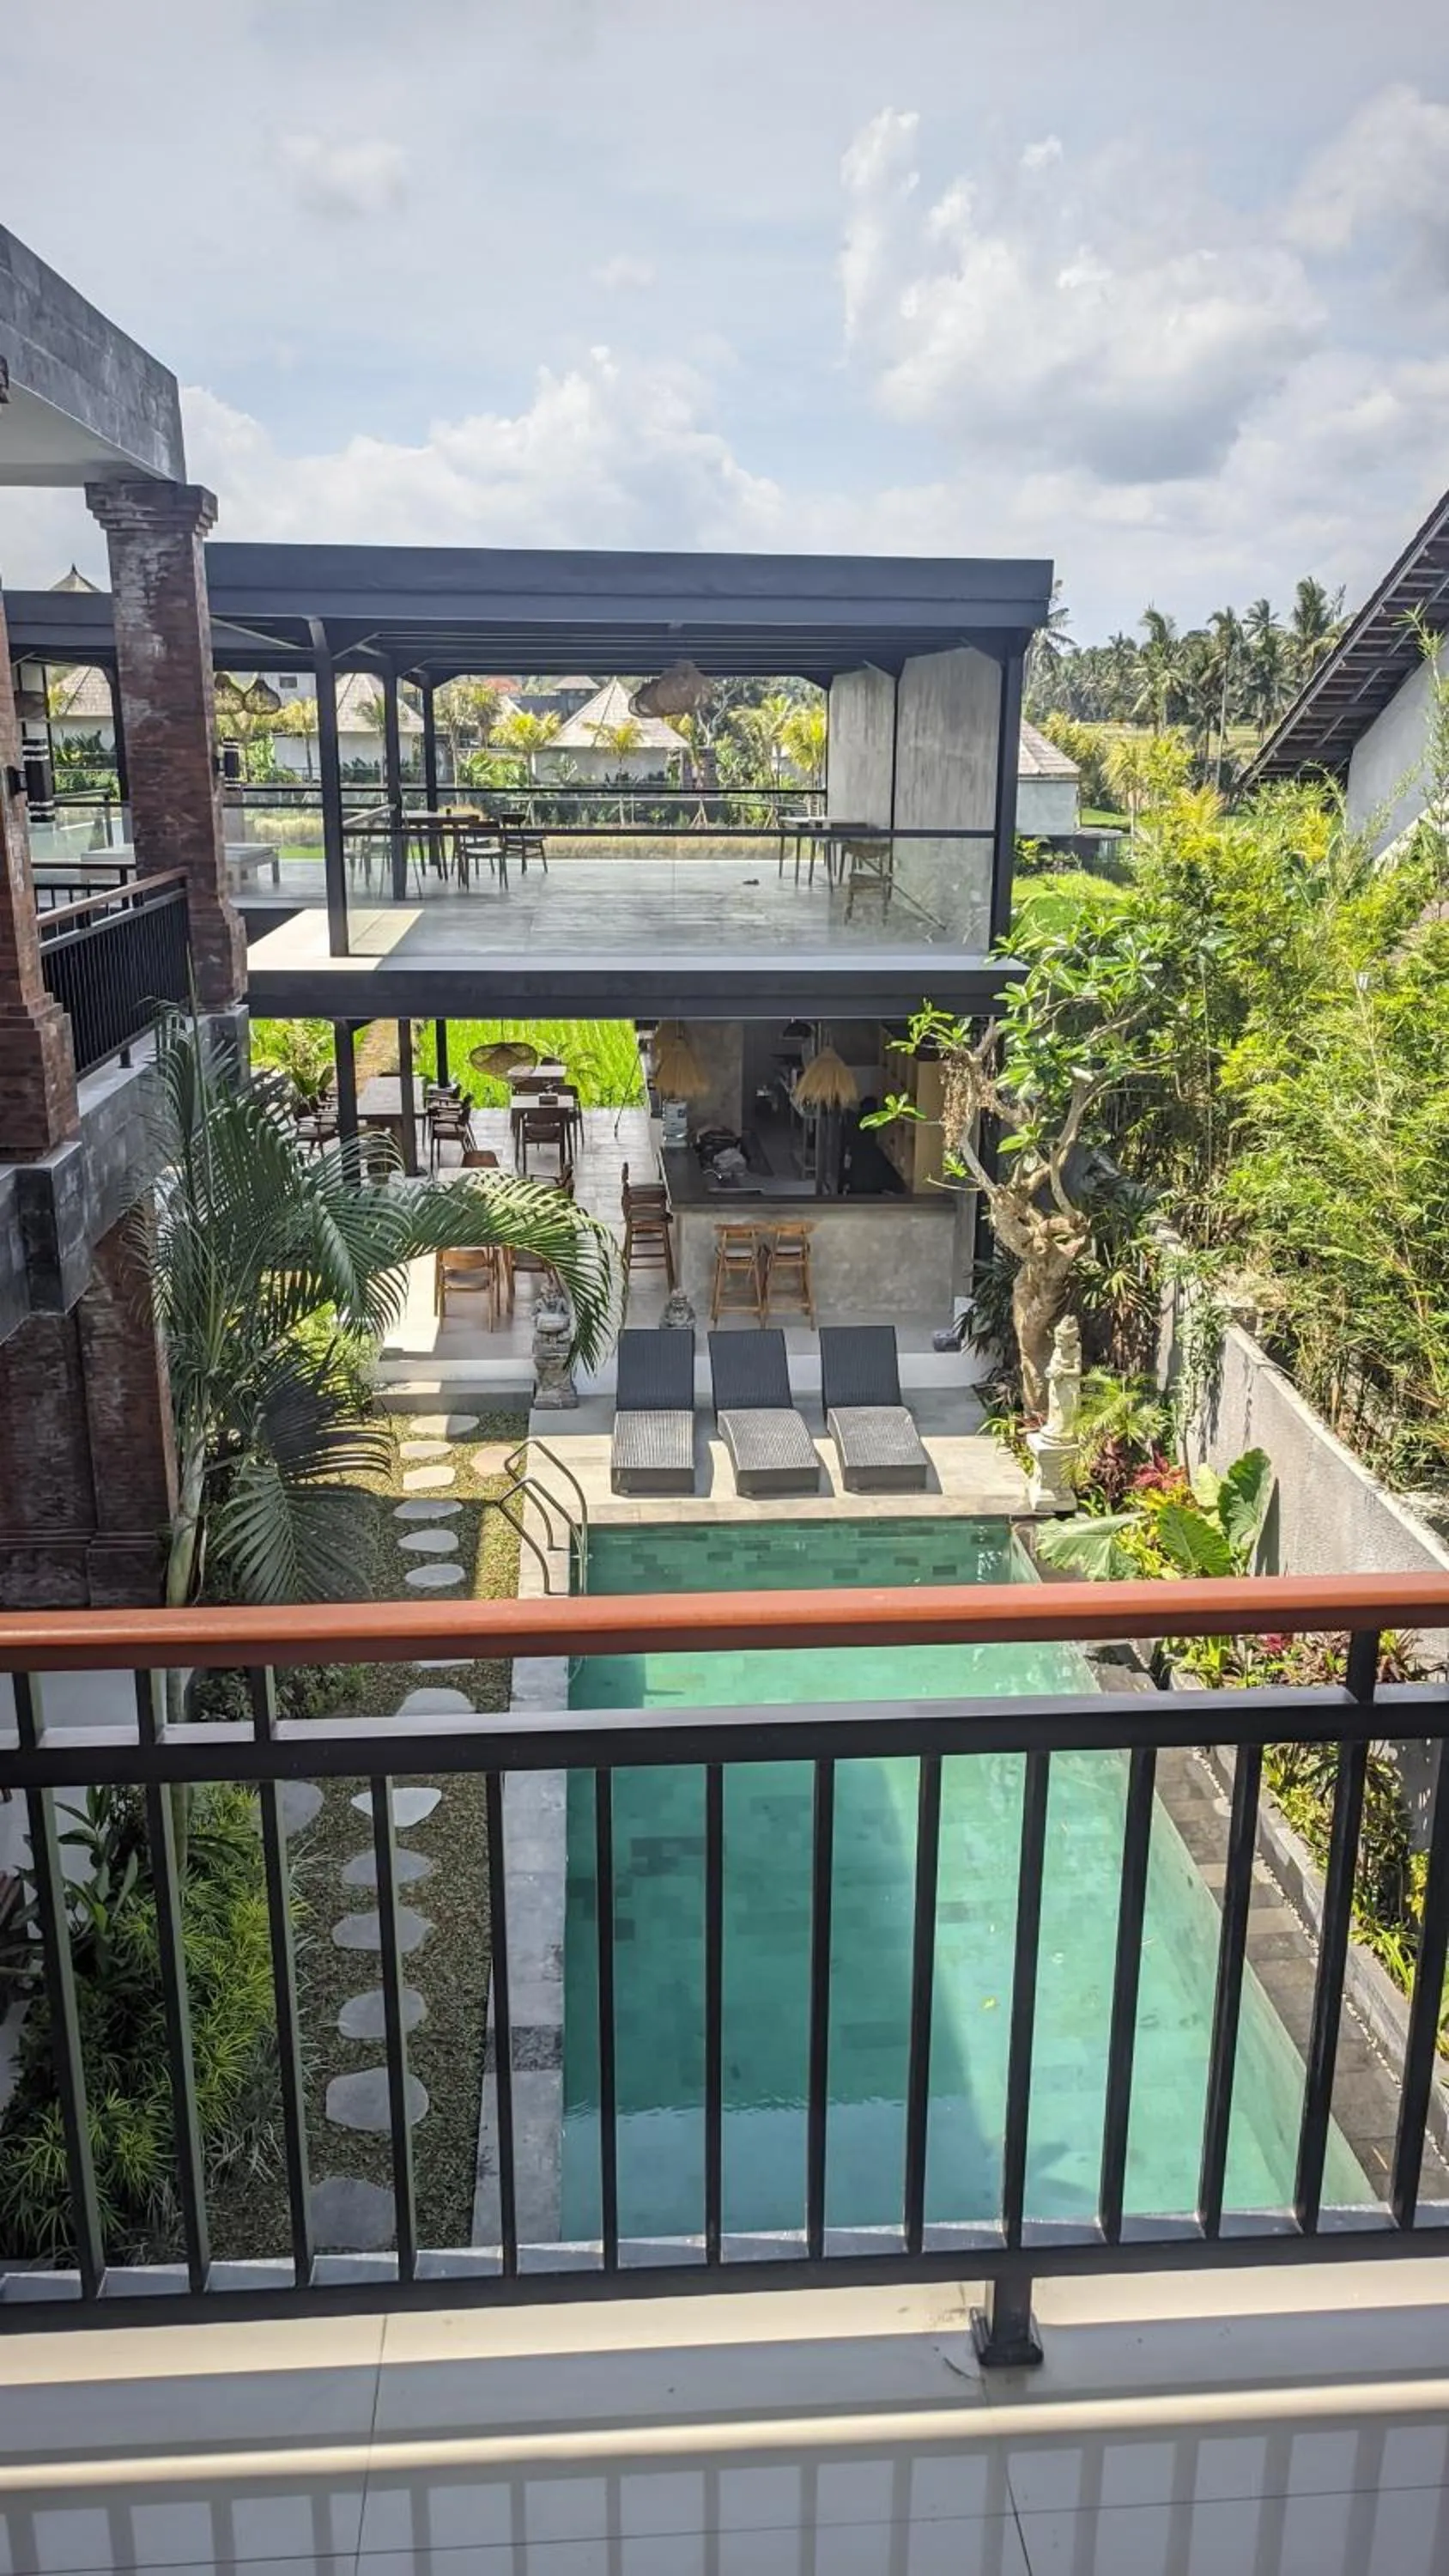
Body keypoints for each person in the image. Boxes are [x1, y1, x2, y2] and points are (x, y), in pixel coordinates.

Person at [840, 1097, 906, 1196]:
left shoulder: (854, 1127)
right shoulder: (874, 1141)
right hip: (869, 1187)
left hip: (857, 1184)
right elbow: (896, 1185)